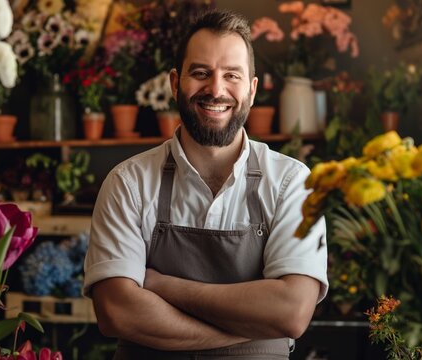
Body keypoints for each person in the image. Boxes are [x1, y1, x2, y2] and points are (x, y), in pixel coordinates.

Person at [83, 9, 328, 359]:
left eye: (232, 75)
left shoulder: (292, 182)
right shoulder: (128, 183)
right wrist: (247, 331)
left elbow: (291, 311)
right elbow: (117, 313)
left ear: (252, 90)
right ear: (173, 83)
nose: (216, 89)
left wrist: (163, 286)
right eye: (200, 73)